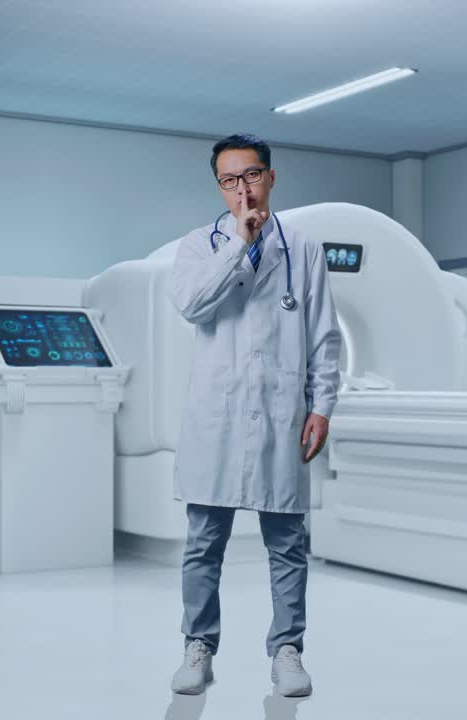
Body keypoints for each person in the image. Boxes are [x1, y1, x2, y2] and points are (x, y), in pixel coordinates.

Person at [167, 133, 342, 697]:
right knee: (203, 543)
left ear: (271, 176)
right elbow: (194, 305)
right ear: (218, 186)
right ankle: (199, 647)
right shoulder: (200, 245)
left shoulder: (304, 248)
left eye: (251, 175)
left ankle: (287, 649)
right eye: (229, 179)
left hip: (280, 413)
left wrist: (322, 406)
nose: (242, 188)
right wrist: (238, 245)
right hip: (216, 418)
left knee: (287, 543)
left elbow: (324, 336)